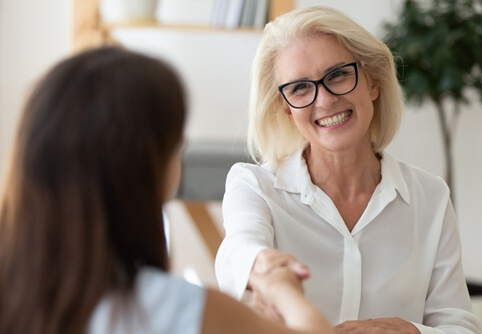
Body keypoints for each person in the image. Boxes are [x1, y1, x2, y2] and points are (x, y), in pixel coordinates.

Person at [0, 46, 334, 334]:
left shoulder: (17, 292)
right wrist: (280, 288)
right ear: (142, 168)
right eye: (175, 142)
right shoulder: (169, 307)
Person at [215, 6, 481, 334]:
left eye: (338, 74)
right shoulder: (255, 186)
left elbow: (462, 328)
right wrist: (265, 270)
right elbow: (238, 253)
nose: (324, 101)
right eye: (300, 88)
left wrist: (410, 332)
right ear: (286, 109)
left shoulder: (429, 196)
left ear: (373, 82)